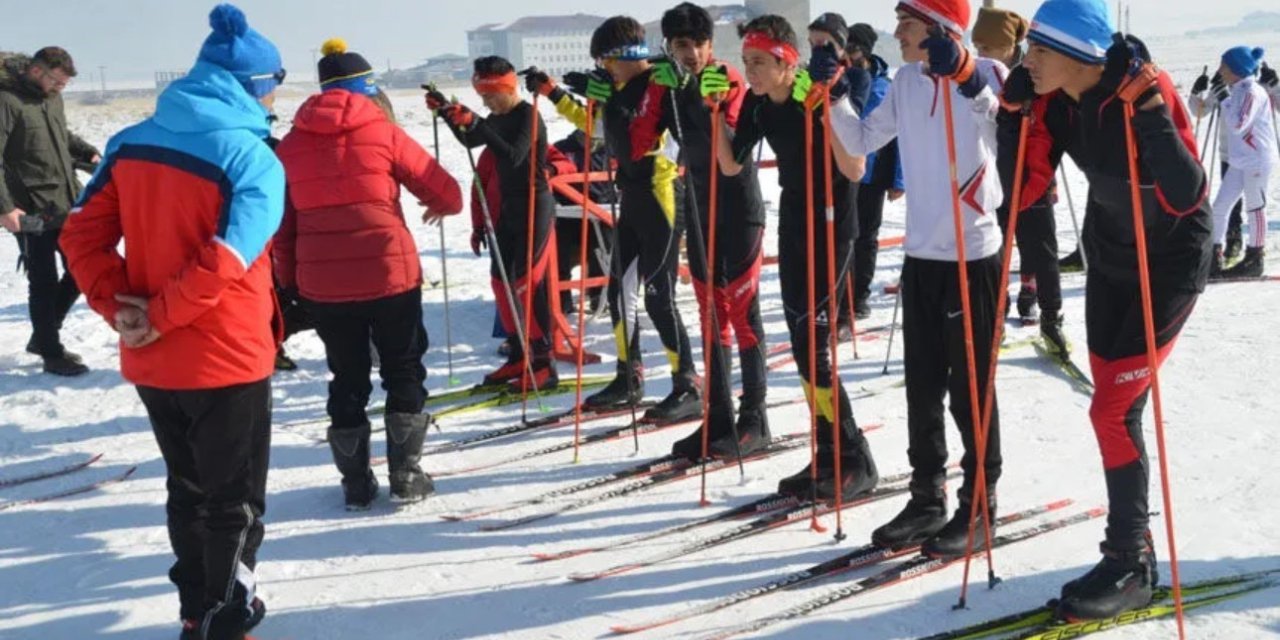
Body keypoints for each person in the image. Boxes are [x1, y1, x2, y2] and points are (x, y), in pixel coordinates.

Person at [58, 5, 284, 638]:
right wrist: (155, 315)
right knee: (233, 500)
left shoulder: (132, 141)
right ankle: (224, 615)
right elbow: (229, 259)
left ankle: (196, 610)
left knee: (187, 488)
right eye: (273, 85)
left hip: (155, 359)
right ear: (254, 86)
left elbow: (80, 237)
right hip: (226, 355)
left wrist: (120, 308)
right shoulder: (253, 157)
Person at [1005, 0, 1213, 618]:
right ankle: (1131, 555)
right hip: (1112, 261)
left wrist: (1149, 109)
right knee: (1114, 412)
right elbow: (1023, 191)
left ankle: (1129, 563)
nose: (1028, 60)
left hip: (1170, 262)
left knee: (1113, 409)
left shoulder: (1140, 87)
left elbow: (1186, 192)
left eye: (1039, 51)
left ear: (1077, 55)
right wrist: (1014, 119)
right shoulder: (1054, 102)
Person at [825, 0, 1008, 558]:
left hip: (972, 254)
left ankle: (980, 503)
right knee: (923, 383)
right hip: (922, 254)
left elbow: (1003, 122)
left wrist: (966, 74)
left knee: (969, 388)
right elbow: (859, 144)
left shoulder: (987, 73)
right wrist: (833, 97)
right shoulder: (904, 80)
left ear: (939, 29)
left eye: (906, 22)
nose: (896, 31)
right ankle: (927, 495)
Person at [274, 38, 462, 510]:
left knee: (346, 374)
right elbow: (448, 192)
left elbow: (282, 229)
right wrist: (436, 205)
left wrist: (292, 282)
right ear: (366, 89)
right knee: (402, 367)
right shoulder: (383, 132)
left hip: (324, 284)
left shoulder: (290, 146)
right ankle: (406, 474)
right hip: (389, 272)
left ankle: (355, 483)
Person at [711, 14, 880, 499]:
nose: (753, 73)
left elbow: (854, 167)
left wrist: (827, 107)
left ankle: (855, 458)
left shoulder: (815, 94)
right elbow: (729, 162)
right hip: (794, 222)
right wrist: (719, 111)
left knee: (817, 352)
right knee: (803, 348)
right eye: (747, 63)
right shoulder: (762, 107)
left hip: (832, 224)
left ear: (787, 62)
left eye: (760, 62)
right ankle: (827, 454)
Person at [524, 16, 702, 424]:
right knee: (621, 295)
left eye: (605, 61)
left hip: (661, 196)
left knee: (660, 299)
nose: (602, 68)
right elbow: (599, 129)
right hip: (632, 197)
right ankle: (629, 376)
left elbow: (643, 134)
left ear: (624, 56)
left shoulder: (661, 81)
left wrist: (611, 99)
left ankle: (687, 383)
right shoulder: (618, 86)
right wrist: (552, 91)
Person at [651, 2, 771, 459]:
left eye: (696, 45)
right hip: (700, 209)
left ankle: (754, 417)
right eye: (680, 46)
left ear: (708, 44)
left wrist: (714, 100)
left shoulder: (727, 78)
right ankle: (717, 415)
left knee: (743, 314)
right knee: (709, 314)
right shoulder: (675, 87)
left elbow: (735, 146)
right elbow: (648, 142)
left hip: (739, 208)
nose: (689, 54)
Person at [430, 55, 558, 391]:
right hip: (508, 210)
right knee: (500, 282)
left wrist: (477, 122)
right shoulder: (497, 116)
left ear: (507, 88)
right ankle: (519, 353)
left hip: (535, 205)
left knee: (525, 283)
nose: (486, 102)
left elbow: (513, 154)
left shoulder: (528, 115)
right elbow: (471, 141)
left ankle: (544, 362)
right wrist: (448, 112)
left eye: (490, 96)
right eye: (481, 98)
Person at [0, 46, 100, 376]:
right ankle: (51, 351)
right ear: (37, 71)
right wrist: (5, 208)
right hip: (30, 208)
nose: (61, 88)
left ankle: (43, 336)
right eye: (57, 81)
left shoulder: (52, 99)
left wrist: (89, 153)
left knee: (82, 269)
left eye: (65, 84)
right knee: (42, 282)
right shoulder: (6, 101)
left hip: (66, 201)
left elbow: (60, 136)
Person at [975, 7, 1069, 353]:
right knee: (994, 253)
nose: (982, 55)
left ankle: (1048, 315)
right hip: (993, 182)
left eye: (989, 47)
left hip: (1034, 180)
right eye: (978, 47)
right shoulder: (982, 75)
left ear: (1010, 46)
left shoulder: (1032, 76)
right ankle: (994, 318)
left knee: (1040, 251)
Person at [845, 23, 905, 319]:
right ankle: (838, 294)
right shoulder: (838, 78)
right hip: (842, 168)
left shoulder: (885, 85)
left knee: (865, 236)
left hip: (873, 173)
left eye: (853, 49)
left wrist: (899, 178)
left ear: (865, 52)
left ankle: (859, 296)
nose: (847, 55)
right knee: (842, 233)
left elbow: (899, 135)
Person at [1206, 46, 1276, 279]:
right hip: (1239, 159)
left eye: (1224, 66)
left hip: (1257, 159)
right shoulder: (1236, 89)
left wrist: (1223, 97)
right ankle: (1213, 257)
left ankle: (1255, 258)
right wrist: (1222, 95)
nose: (1220, 71)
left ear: (1236, 69)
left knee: (1255, 207)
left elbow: (1238, 124)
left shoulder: (1251, 92)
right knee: (1220, 206)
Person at [1189, 68, 1246, 263]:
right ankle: (1231, 239)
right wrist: (1196, 92)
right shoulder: (1221, 86)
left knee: (1252, 202)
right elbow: (1201, 110)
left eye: (1226, 67)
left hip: (1251, 155)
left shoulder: (1250, 87)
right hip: (1227, 154)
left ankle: (1244, 242)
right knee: (1229, 201)